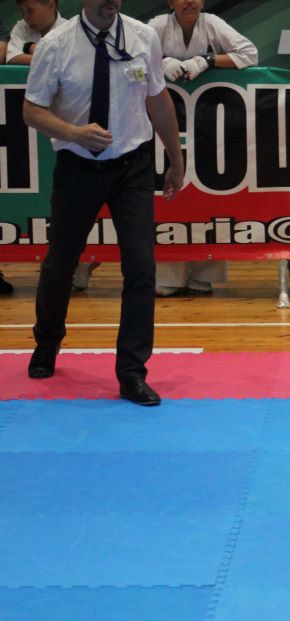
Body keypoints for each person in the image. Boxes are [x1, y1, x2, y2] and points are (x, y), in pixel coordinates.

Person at [22, 0, 185, 406]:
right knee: (61, 263)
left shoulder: (142, 37)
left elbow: (158, 100)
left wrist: (176, 159)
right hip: (78, 166)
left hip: (133, 166)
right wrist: (73, 133)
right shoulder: (55, 44)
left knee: (141, 268)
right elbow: (32, 111)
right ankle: (47, 342)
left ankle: (132, 373)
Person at [147, 0, 258, 297]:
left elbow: (250, 54)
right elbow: (131, 59)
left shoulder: (212, 24)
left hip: (208, 124)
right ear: (170, 2)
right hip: (166, 128)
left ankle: (204, 275)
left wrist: (208, 61)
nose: (190, 2)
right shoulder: (157, 26)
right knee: (168, 199)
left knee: (208, 200)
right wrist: (160, 63)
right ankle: (168, 276)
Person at [5, 0, 66, 65]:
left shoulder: (69, 32)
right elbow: (12, 58)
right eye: (22, 12)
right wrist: (52, 58)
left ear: (51, 5)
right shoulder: (22, 27)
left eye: (30, 10)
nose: (26, 18)